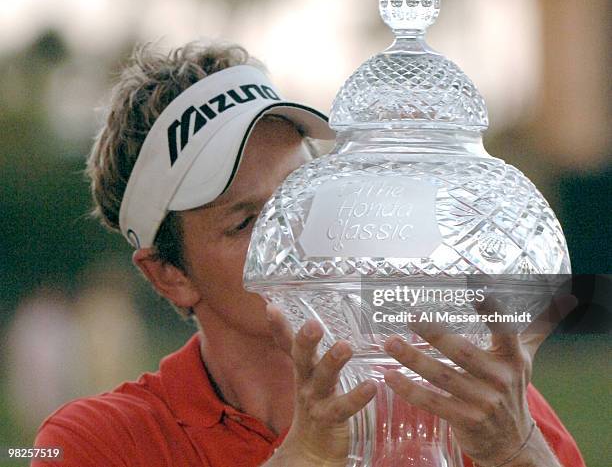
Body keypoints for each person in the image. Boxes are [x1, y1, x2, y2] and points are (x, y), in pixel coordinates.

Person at [33, 42, 585, 467]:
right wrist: (308, 455)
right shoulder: (100, 441)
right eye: (246, 220)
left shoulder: (465, 399)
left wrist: (516, 450)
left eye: (304, 193)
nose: (294, 233)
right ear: (169, 275)